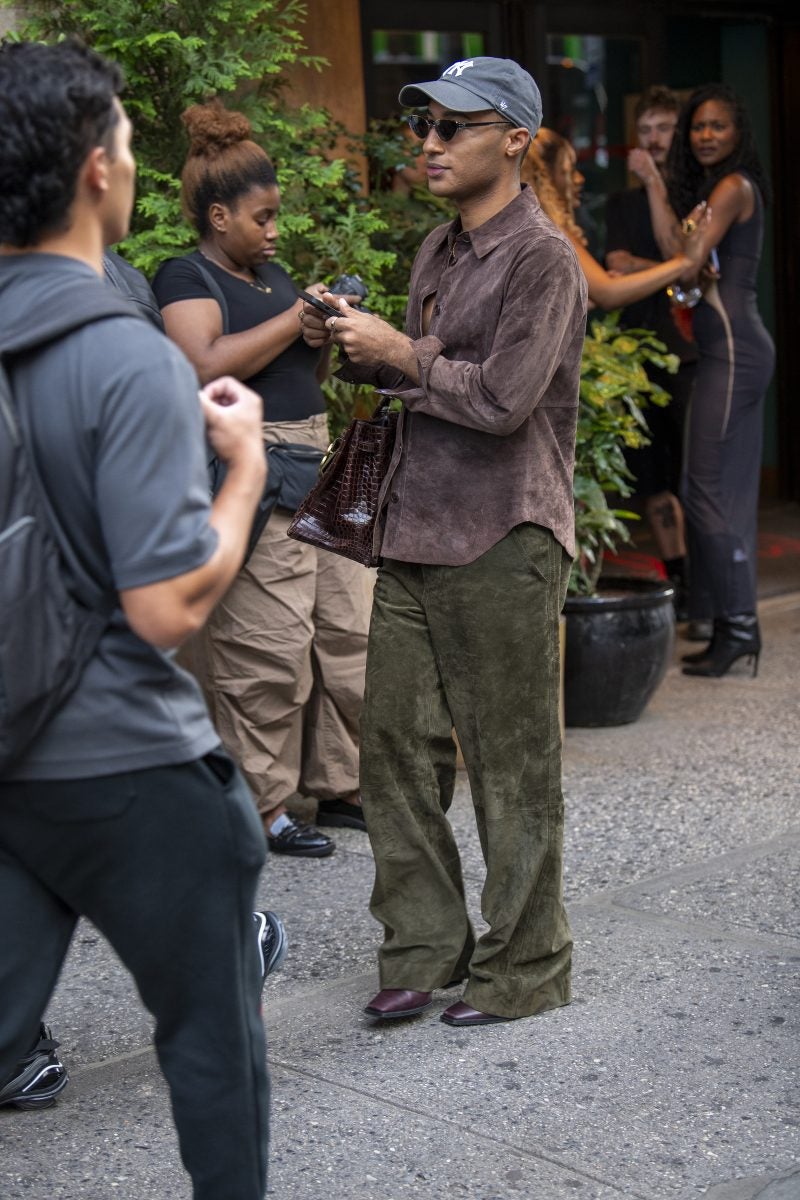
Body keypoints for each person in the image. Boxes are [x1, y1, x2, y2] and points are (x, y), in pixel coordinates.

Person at [0, 39, 271, 1198]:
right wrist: (244, 469)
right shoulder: (122, 355)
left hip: (7, 756)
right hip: (126, 764)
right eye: (121, 136)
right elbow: (164, 606)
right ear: (94, 172)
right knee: (214, 1048)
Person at [303, 57, 586, 1027]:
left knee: (512, 763)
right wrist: (346, 341)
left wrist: (403, 355)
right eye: (421, 127)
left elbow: (505, 401)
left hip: (505, 532)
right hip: (413, 527)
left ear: (514, 139)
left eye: (452, 127)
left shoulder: (541, 259)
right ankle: (423, 947)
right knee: (388, 750)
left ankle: (525, 967)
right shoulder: (437, 250)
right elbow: (415, 388)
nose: (427, 144)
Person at [152, 101, 371, 858]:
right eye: (262, 216)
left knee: (349, 632)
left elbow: (295, 369)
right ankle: (264, 805)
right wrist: (293, 317)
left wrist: (316, 328)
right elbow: (200, 364)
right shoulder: (184, 273)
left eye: (278, 216)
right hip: (255, 465)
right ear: (218, 216)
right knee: (268, 649)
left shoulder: (273, 276)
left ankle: (342, 786)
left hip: (317, 460)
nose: (276, 231)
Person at [629, 83, 774, 677]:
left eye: (718, 126)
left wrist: (637, 268)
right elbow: (683, 259)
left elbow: (685, 262)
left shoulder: (734, 187)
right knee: (712, 491)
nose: (706, 136)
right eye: (699, 127)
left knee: (706, 493)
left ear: (738, 132)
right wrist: (661, 192)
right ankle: (730, 621)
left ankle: (738, 626)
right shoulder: (715, 192)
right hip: (725, 350)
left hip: (735, 352)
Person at [605, 86, 701, 626]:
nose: (654, 140)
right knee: (655, 479)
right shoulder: (621, 204)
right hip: (637, 352)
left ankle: (707, 582)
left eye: (664, 129)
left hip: (689, 354)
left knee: (694, 478)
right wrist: (668, 271)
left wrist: (656, 185)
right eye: (646, 131)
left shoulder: (696, 195)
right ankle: (680, 579)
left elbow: (677, 256)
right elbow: (616, 265)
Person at [520, 126, 709, 310]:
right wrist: (685, 261)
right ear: (545, 178)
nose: (579, 179)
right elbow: (609, 295)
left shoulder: (533, 225)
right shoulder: (550, 229)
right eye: (568, 171)